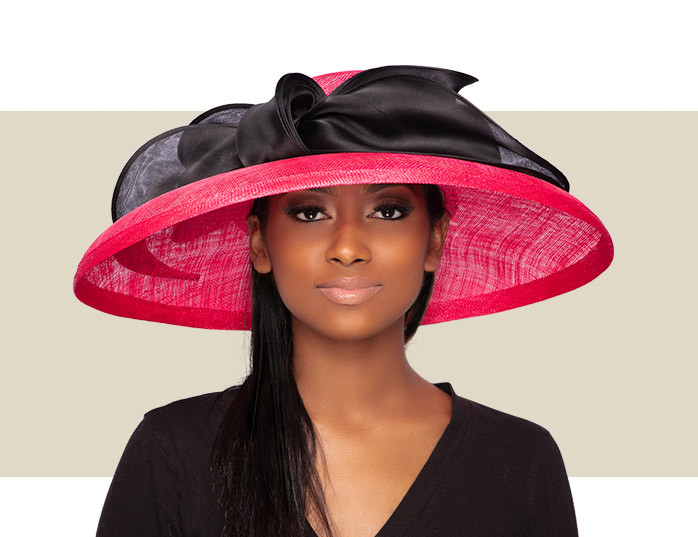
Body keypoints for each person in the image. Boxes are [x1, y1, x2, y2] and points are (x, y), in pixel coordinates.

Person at [74, 65, 614, 537]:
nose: (349, 247)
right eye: (310, 212)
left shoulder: (519, 460)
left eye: (388, 211)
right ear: (260, 243)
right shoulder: (172, 451)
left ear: (435, 240)